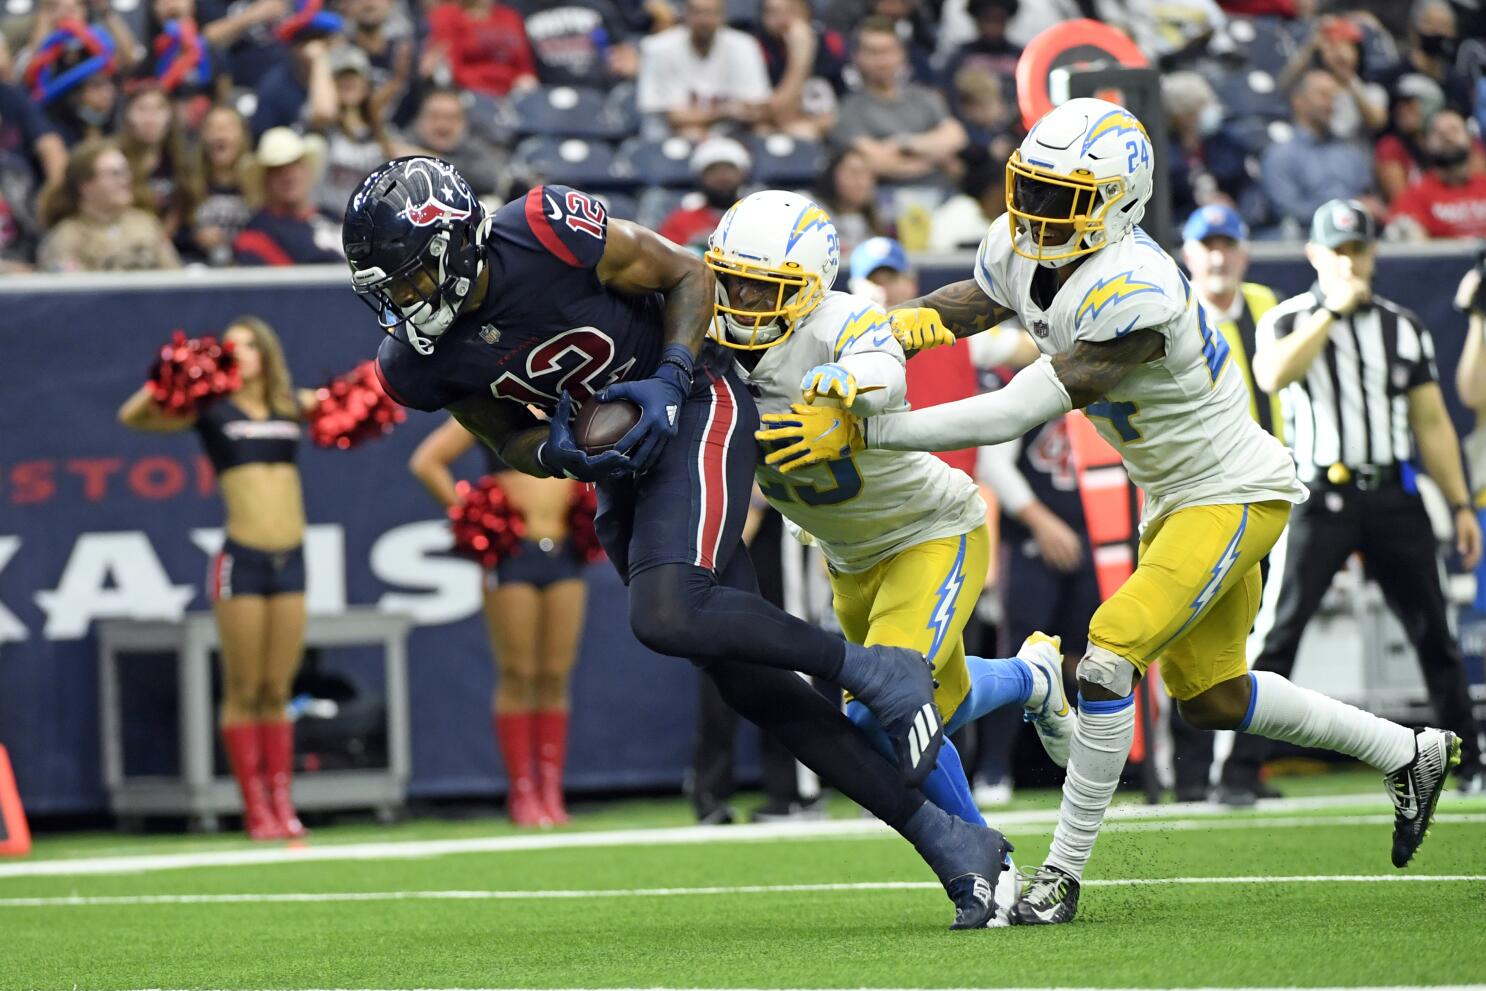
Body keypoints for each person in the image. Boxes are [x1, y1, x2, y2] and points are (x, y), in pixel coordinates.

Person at [762, 98, 1464, 925]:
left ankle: (1059, 876)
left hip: (1232, 489)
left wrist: (869, 425)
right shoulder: (1027, 243)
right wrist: (893, 332)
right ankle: (1407, 751)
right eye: (1033, 188)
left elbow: (1018, 409)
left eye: (1064, 198)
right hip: (1172, 496)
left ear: (1121, 203)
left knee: (1106, 657)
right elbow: (980, 298)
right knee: (1211, 696)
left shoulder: (1138, 287)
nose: (1036, 214)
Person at [343, 156, 1014, 929]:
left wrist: (666, 375)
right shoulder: (414, 361)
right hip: (624, 466)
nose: (401, 303)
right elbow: (500, 434)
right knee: (749, 682)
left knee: (666, 611)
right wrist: (556, 452)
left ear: (455, 245)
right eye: (385, 288)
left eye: (408, 280)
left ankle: (873, 670)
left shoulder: (546, 230)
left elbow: (689, 276)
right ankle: (955, 843)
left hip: (695, 396)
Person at [715, 191, 1071, 908]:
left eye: (766, 287)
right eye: (734, 280)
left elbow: (885, 367)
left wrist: (850, 388)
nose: (743, 300)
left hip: (929, 531)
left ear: (810, 286)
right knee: (918, 710)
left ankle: (983, 862)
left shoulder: (842, 320)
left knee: (881, 715)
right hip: (847, 560)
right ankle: (1032, 680)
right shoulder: (706, 338)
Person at [1216, 198, 1486, 803]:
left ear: (1373, 254)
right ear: (1314, 255)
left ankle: (1465, 760)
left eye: (1358, 250)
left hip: (1393, 490)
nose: (1349, 262)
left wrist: (1461, 503)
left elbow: (1433, 421)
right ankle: (1238, 772)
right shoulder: (1288, 319)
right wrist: (1331, 313)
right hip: (1319, 493)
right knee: (1278, 635)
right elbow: (1274, 375)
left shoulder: (1403, 325)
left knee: (1434, 632)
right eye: (1337, 251)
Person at [117, 316, 313, 841]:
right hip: (241, 559)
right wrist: (180, 372)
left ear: (266, 354)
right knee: (245, 686)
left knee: (278, 687)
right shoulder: (210, 409)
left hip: (292, 558)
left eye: (249, 345)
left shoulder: (290, 404)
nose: (241, 353)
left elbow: (358, 401)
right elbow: (134, 416)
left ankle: (283, 803)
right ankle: (255, 809)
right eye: (232, 347)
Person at [409, 418, 588, 826]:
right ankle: (523, 792)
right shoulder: (492, 402)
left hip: (565, 551)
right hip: (512, 555)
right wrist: (473, 516)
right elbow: (427, 462)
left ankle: (551, 791)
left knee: (556, 674)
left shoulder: (569, 401)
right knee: (518, 673)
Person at [831, 17, 966, 184]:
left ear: (901, 55)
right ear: (857, 57)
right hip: (884, 199)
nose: (881, 61)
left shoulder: (925, 97)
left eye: (888, 51)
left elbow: (956, 136)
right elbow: (877, 161)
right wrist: (936, 159)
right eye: (873, 52)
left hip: (942, 196)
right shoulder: (848, 108)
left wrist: (902, 143)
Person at [37, 138, 181, 271]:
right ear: (85, 185)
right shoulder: (67, 237)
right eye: (115, 174)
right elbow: (71, 294)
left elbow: (175, 276)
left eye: (126, 171)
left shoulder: (146, 224)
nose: (125, 180)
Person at [635, 0, 771, 141]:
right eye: (698, 12)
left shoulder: (744, 46)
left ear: (723, 15)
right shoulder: (659, 48)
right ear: (685, 14)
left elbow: (757, 108)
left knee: (764, 131)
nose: (704, 20)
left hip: (729, 139)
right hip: (669, 145)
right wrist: (725, 111)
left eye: (711, 13)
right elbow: (675, 118)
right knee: (691, 133)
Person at [1261, 68, 1374, 233]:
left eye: (1333, 97)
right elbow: (1289, 212)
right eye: (1323, 95)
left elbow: (1368, 198)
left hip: (1355, 242)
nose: (1330, 103)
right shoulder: (1280, 156)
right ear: (1298, 101)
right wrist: (1346, 210)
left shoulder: (1351, 153)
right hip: (1304, 247)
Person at [233, 126, 341, 265]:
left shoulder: (333, 216)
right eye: (277, 169)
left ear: (307, 170)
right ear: (264, 181)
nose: (288, 175)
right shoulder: (258, 234)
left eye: (294, 164)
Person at [1387, 109, 1486, 241]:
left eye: (1454, 130)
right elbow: (1412, 253)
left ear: (1470, 139)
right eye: (1438, 133)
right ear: (1426, 144)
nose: (1447, 137)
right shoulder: (1413, 197)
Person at [182, 104, 260, 266]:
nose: (219, 133)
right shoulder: (188, 185)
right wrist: (194, 237)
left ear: (242, 136)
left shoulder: (259, 183)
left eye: (227, 127)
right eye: (212, 128)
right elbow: (171, 233)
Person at [425, 0, 537, 99]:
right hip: (468, 92)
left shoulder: (511, 17)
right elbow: (451, 68)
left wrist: (523, 82)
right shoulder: (447, 16)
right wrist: (488, 88)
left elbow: (525, 67)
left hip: (513, 93)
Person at [657, 135, 751, 251]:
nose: (722, 176)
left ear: (742, 174)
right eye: (712, 170)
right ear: (700, 177)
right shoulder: (681, 220)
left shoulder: (758, 218)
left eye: (729, 169)